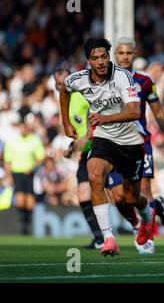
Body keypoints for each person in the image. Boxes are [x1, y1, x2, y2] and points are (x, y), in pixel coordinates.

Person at [59, 38, 153, 256]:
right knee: (94, 175)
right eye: (95, 58)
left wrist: (104, 118)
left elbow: (134, 112)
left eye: (104, 56)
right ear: (88, 61)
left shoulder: (122, 76)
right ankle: (109, 238)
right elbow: (64, 89)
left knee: (131, 197)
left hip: (130, 141)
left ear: (108, 56)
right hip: (104, 140)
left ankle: (147, 219)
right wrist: (66, 123)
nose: (101, 62)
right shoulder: (79, 79)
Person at [105, 37, 164, 255]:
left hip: (139, 144)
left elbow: (157, 111)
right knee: (119, 197)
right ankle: (148, 215)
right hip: (113, 144)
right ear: (115, 55)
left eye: (129, 53)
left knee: (143, 191)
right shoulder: (104, 81)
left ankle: (147, 237)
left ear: (135, 54)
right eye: (121, 53)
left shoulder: (145, 82)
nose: (125, 57)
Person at [54, 64, 104, 249]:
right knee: (83, 194)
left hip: (101, 146)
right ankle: (99, 238)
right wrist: (73, 147)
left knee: (120, 196)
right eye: (59, 85)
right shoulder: (65, 101)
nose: (63, 86)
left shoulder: (83, 92)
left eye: (65, 82)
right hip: (84, 151)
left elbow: (97, 113)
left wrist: (86, 136)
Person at [3, 114, 45, 235]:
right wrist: (9, 176)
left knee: (30, 200)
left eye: (25, 127)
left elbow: (40, 158)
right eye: (21, 127)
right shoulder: (12, 141)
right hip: (17, 172)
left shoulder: (34, 140)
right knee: (20, 199)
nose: (23, 130)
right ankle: (23, 224)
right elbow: (7, 161)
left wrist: (33, 167)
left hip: (29, 173)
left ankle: (27, 222)